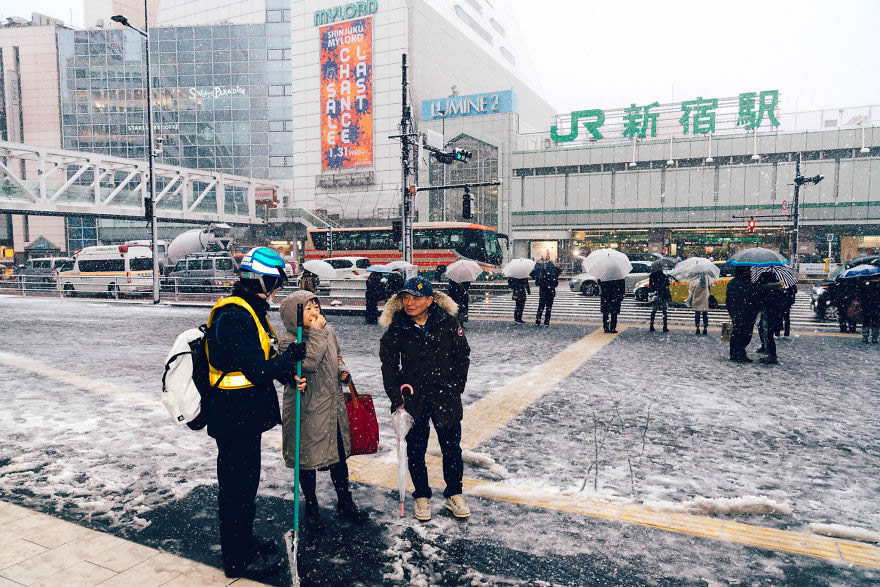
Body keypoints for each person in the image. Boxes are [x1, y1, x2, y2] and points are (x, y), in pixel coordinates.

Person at [204, 247, 307, 580]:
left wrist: (287, 373)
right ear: (262, 280)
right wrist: (289, 358)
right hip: (233, 418)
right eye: (275, 282)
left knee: (245, 487)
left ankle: (244, 541)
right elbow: (255, 369)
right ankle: (236, 558)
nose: (276, 289)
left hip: (243, 416)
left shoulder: (250, 309)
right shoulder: (235, 315)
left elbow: (263, 359)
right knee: (236, 490)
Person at [379, 277, 471, 521]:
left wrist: (455, 387)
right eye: (405, 298)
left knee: (451, 448)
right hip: (412, 398)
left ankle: (454, 493)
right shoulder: (397, 327)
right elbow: (388, 364)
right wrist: (395, 394)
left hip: (445, 396)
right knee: (416, 450)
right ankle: (421, 495)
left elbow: (463, 356)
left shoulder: (448, 323)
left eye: (416, 298)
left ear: (430, 301)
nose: (409, 303)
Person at [279, 291, 368, 530]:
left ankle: (344, 501)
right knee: (307, 460)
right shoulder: (289, 340)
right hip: (307, 408)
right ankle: (311, 505)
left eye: (315, 306)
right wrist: (317, 333)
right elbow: (308, 363)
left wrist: (342, 370)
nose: (314, 312)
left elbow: (336, 356)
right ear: (294, 314)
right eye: (307, 309)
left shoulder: (328, 331)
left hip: (332, 406)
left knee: (338, 457)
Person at [726, 266, 759, 363]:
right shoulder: (750, 283)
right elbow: (754, 298)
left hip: (737, 312)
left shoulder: (732, 283)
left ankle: (735, 353)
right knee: (745, 334)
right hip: (747, 312)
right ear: (744, 271)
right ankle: (740, 353)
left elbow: (728, 299)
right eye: (748, 270)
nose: (750, 271)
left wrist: (731, 311)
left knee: (737, 333)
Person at [755, 273, 786, 364]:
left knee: (768, 335)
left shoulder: (768, 290)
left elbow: (762, 302)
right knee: (768, 334)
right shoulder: (778, 289)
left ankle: (772, 355)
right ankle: (770, 352)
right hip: (775, 316)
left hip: (769, 315)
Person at [857, 276, 880, 344]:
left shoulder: (863, 285)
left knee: (866, 321)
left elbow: (860, 295)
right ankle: (874, 338)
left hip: (866, 306)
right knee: (875, 322)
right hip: (875, 306)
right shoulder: (877, 286)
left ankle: (865, 337)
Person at [648, 267, 671, 333]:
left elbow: (651, 285)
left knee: (654, 311)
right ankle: (665, 327)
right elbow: (667, 285)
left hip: (655, 295)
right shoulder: (664, 276)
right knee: (664, 311)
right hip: (663, 295)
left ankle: (651, 325)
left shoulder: (652, 276)